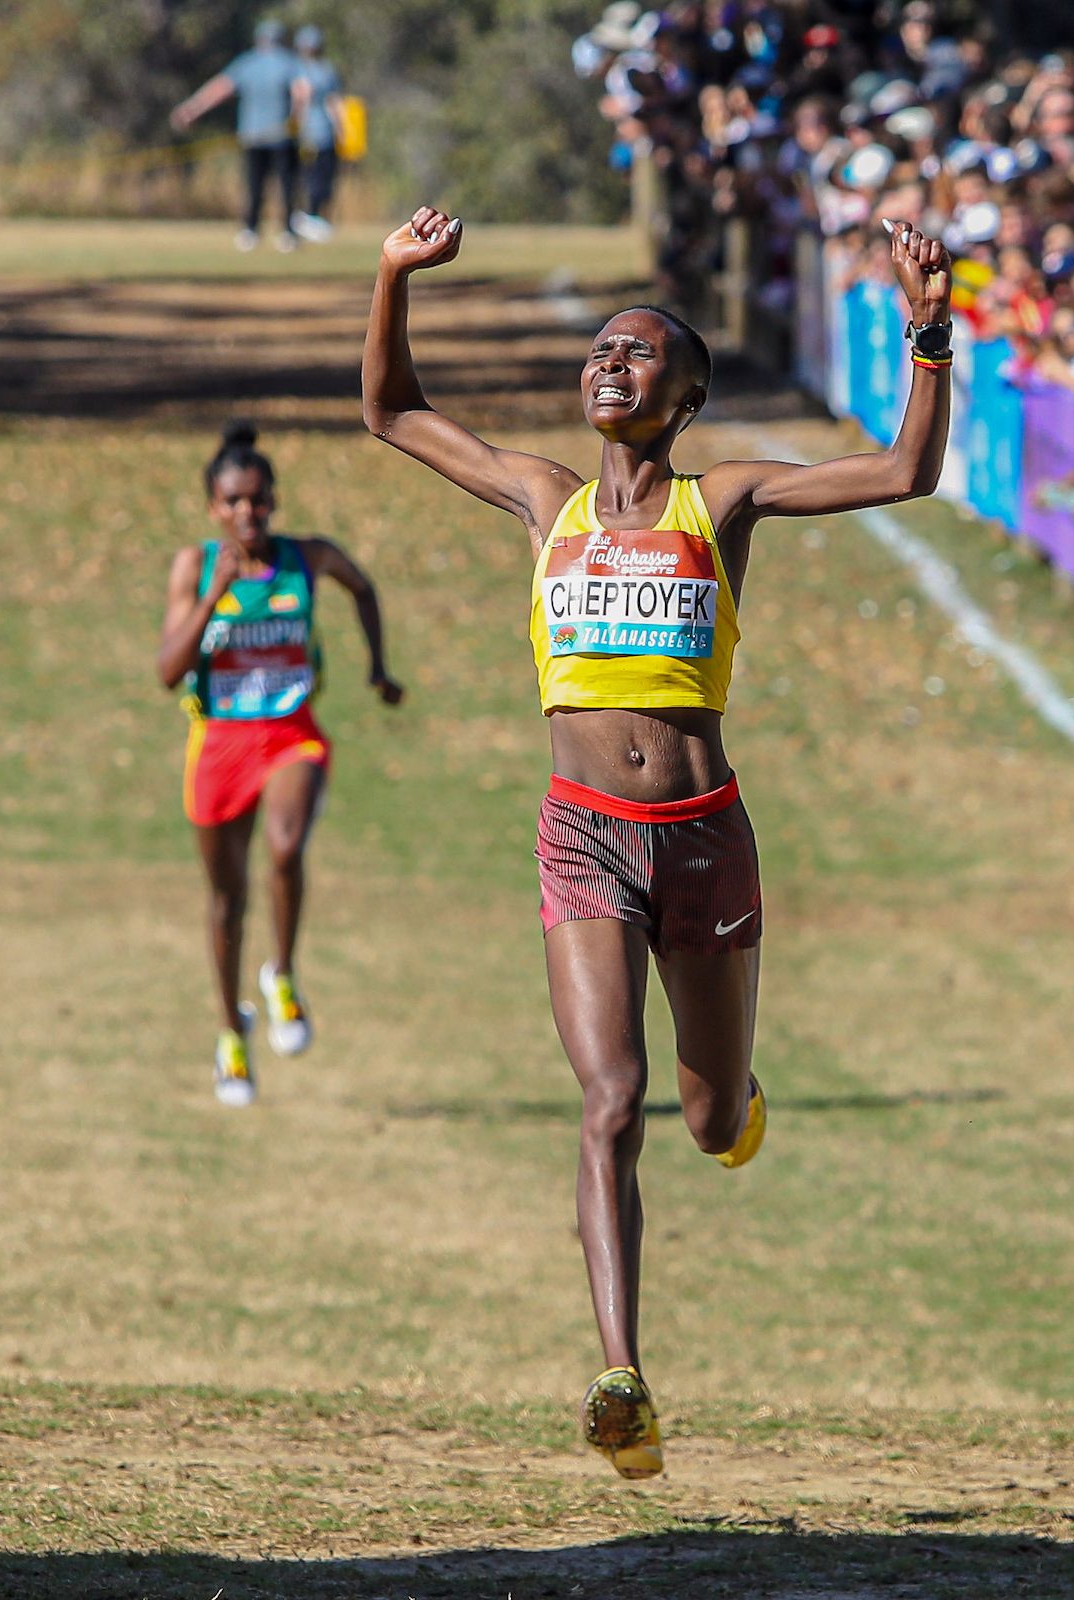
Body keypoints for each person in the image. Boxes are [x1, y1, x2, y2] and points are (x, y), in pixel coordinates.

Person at [361, 206, 951, 1479]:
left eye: (636, 355)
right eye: (597, 354)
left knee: (704, 1113)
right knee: (609, 1098)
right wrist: (392, 277)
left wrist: (930, 336)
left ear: (683, 395)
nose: (606, 366)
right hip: (585, 838)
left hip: (704, 840)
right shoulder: (543, 501)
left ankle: (739, 1107)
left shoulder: (719, 498)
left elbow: (903, 474)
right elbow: (394, 413)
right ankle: (621, 1371)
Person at [157, 421, 403, 1107]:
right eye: (234, 502)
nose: (248, 514)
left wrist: (378, 669)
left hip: (290, 731)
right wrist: (214, 597)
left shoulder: (307, 558)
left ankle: (283, 976)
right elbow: (166, 670)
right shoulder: (196, 567)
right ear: (214, 506)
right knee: (226, 900)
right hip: (220, 743)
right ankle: (230, 1035)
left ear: (273, 500)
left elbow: (363, 587)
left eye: (259, 501)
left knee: (287, 846)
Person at [172, 18, 305, 253]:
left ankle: (250, 231)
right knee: (286, 186)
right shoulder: (289, 63)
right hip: (281, 136)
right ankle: (287, 233)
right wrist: (297, 120)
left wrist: (191, 109)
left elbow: (219, 89)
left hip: (253, 135)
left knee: (254, 185)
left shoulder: (248, 63)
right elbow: (301, 93)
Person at [289, 26, 346, 244]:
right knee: (307, 179)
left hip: (324, 133)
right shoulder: (296, 70)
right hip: (306, 135)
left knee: (324, 179)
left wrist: (340, 130)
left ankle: (318, 219)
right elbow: (298, 103)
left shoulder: (326, 70)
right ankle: (304, 219)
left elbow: (334, 103)